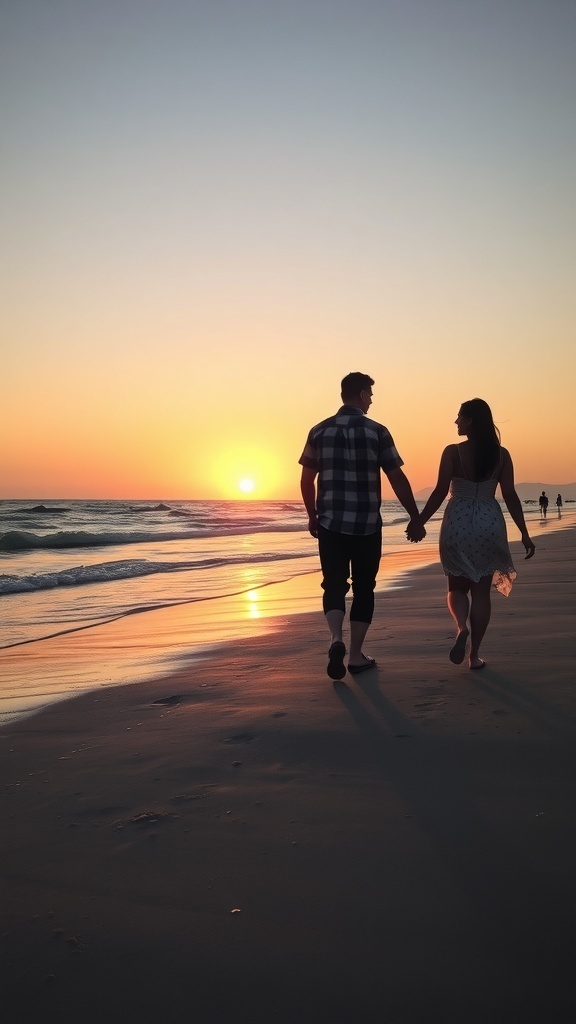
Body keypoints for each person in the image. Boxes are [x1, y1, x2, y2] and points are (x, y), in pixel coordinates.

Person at [299, 372, 425, 680]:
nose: (371, 401)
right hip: (367, 524)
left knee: (333, 585)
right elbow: (396, 477)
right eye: (369, 395)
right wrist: (415, 516)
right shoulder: (377, 431)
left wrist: (313, 515)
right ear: (360, 394)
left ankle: (335, 639)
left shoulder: (318, 430)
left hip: (330, 523)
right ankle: (355, 656)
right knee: (364, 588)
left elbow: (306, 480)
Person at [408, 398, 535, 670]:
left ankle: (460, 627)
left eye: (460, 417)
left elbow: (440, 492)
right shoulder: (502, 455)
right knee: (481, 592)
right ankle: (474, 656)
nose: (456, 421)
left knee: (456, 587)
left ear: (471, 420)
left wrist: (419, 521)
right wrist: (524, 533)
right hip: (489, 522)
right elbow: (510, 495)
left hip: (458, 521)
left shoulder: (453, 452)